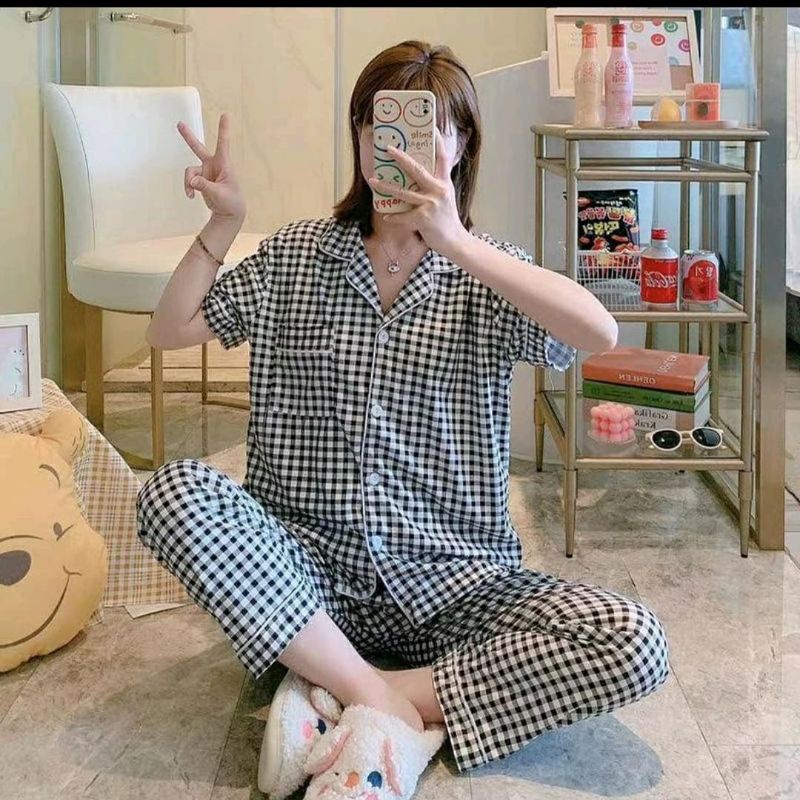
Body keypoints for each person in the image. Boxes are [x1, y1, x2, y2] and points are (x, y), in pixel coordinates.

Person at [137, 40, 669, 800]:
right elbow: (171, 329)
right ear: (358, 137)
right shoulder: (296, 257)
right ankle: (379, 697)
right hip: (309, 576)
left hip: (455, 583)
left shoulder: (488, 272)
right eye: (377, 125)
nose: (396, 147)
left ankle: (345, 689)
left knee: (633, 641)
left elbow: (597, 332)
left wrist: (456, 241)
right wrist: (225, 223)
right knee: (175, 492)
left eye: (427, 127)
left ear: (461, 144)